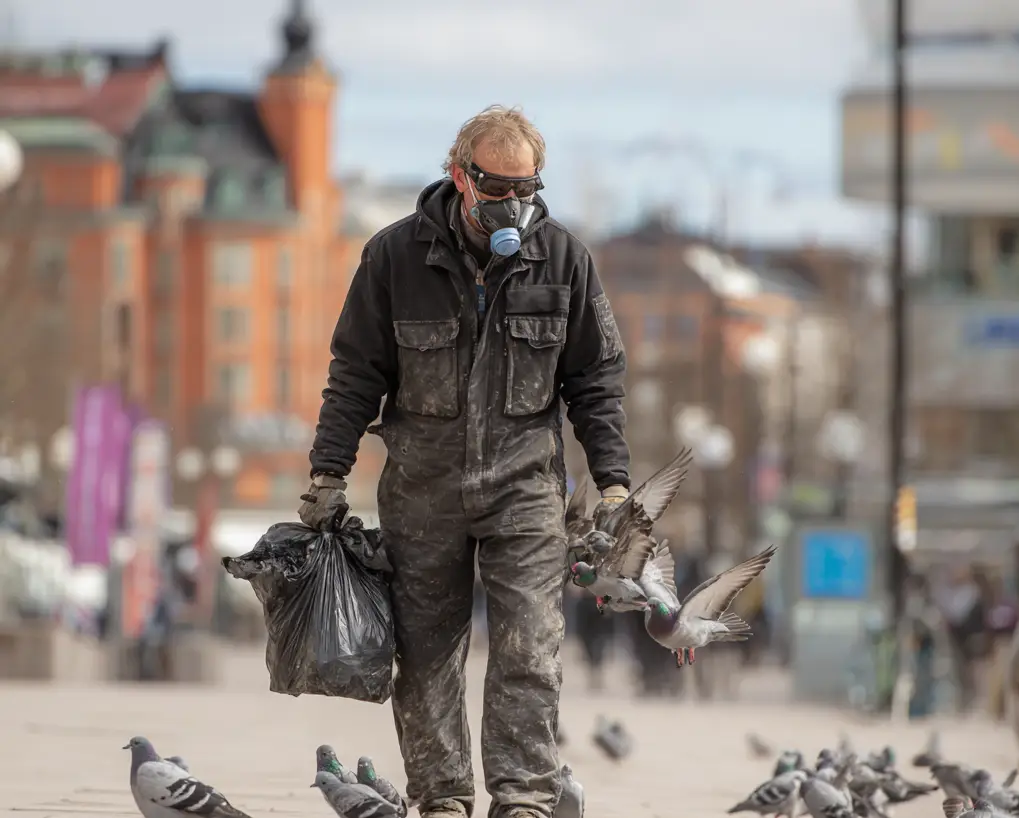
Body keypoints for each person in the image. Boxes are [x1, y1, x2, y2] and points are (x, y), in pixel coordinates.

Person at [297, 105, 631, 818]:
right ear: (459, 175)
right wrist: (327, 474)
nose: (512, 202)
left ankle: (523, 799)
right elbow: (355, 373)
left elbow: (595, 382)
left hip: (525, 489)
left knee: (528, 650)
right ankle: (442, 798)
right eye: (496, 187)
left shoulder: (563, 260)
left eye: (527, 187)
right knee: (424, 656)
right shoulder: (393, 257)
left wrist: (613, 484)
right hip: (423, 490)